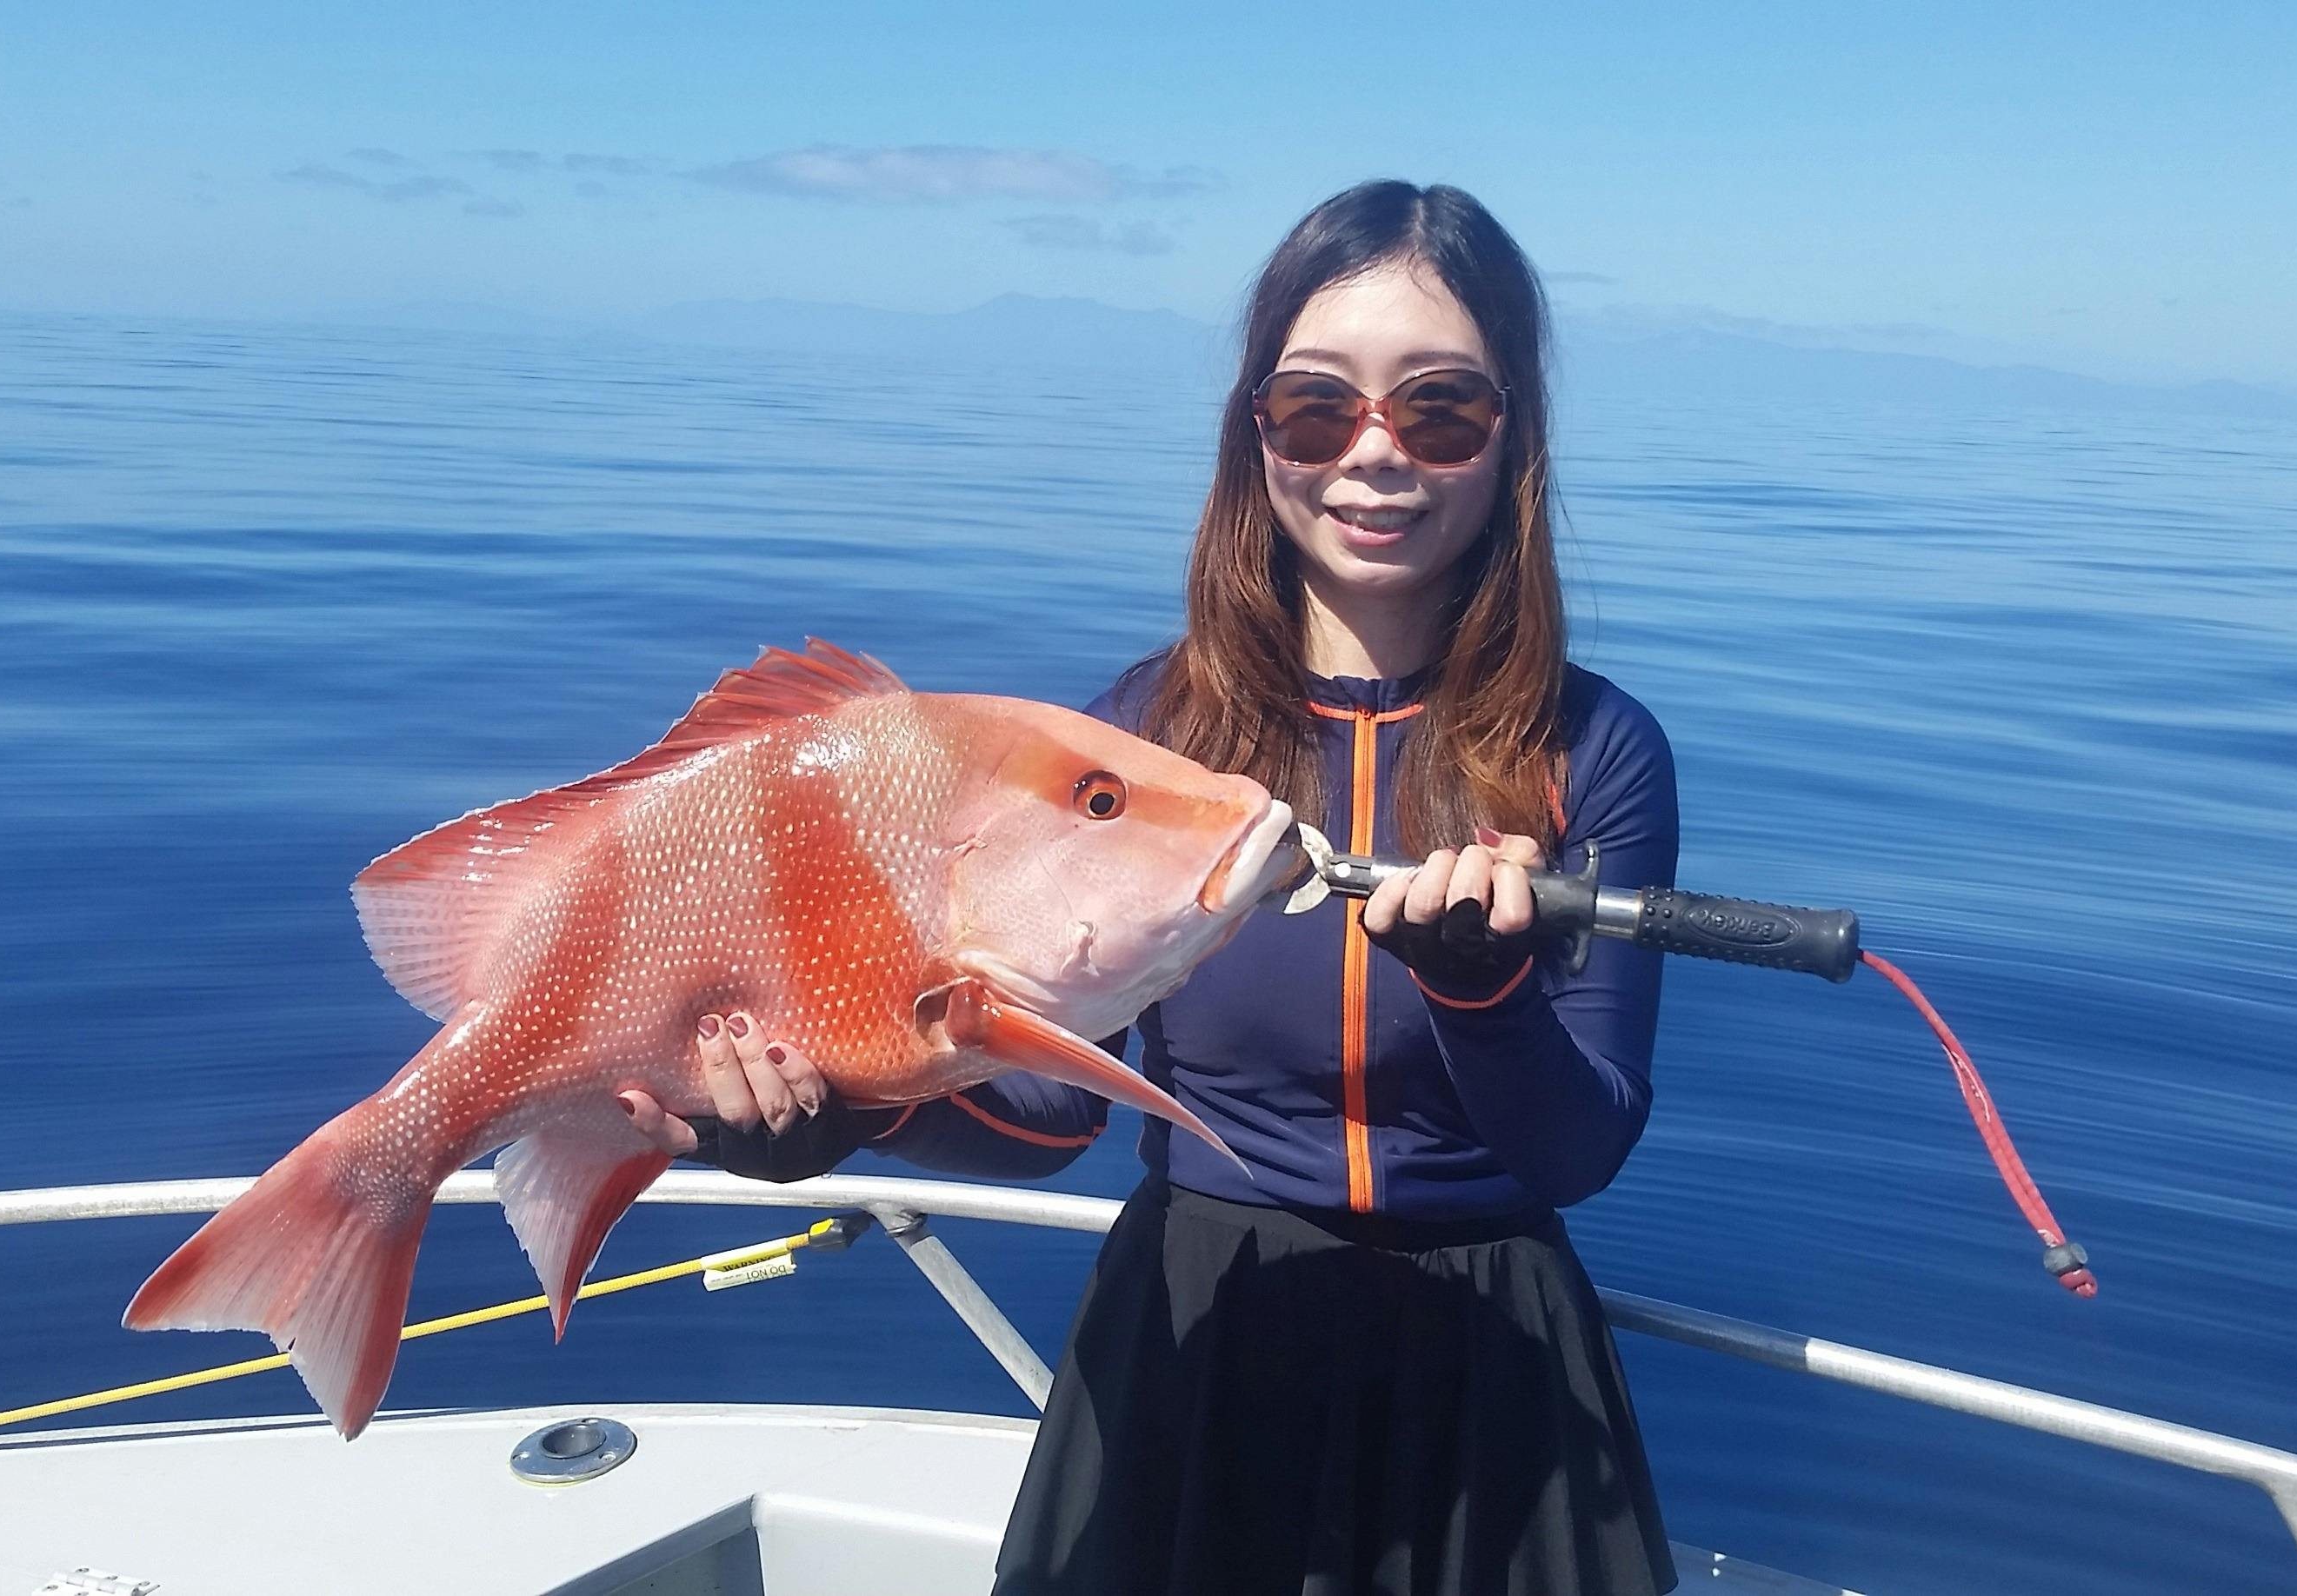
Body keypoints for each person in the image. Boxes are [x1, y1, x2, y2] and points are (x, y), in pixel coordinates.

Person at [619, 179, 1682, 1596]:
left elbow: (1579, 1153)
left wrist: (1483, 995)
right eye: (1319, 409)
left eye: (1440, 410)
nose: (1377, 457)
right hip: (1201, 1336)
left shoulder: (1595, 747)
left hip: (1493, 1379)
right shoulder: (1145, 736)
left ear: (1511, 442)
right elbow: (1053, 1107)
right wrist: (849, 1121)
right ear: (1258, 433)